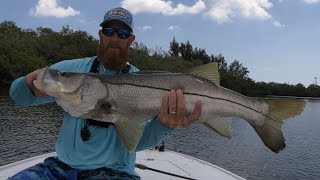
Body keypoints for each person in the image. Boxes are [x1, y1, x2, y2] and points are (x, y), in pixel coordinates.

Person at [9, 7, 202, 179]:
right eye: (109, 31)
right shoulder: (70, 71)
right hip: (62, 168)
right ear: (101, 35)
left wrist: (164, 125)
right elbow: (19, 97)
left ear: (131, 40)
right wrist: (28, 81)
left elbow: (137, 142)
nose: (115, 38)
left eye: (123, 33)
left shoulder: (141, 81)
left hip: (116, 172)